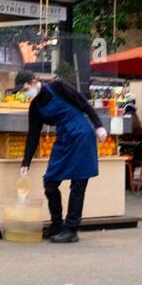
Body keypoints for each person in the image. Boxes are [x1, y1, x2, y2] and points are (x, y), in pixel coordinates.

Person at [16, 71, 106, 244]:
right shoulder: (34, 107)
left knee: (78, 184)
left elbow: (83, 103)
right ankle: (57, 224)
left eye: (25, 88)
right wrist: (25, 162)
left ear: (34, 82)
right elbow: (33, 135)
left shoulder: (58, 86)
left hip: (81, 134)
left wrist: (98, 126)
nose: (24, 93)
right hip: (63, 139)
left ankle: (72, 229)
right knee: (50, 182)